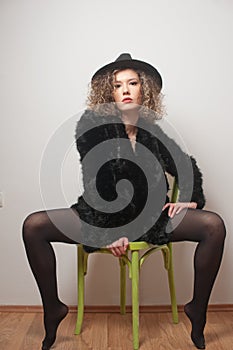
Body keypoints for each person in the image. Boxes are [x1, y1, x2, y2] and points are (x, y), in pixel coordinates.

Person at [22, 53, 226, 350]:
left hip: (151, 219)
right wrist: (108, 232)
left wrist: (191, 199)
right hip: (101, 216)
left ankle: (197, 309)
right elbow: (98, 184)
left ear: (145, 89)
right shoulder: (92, 125)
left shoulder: (152, 130)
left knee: (214, 226)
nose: (126, 90)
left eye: (133, 83)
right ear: (109, 91)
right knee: (34, 225)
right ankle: (53, 307)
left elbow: (185, 164)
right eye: (118, 85)